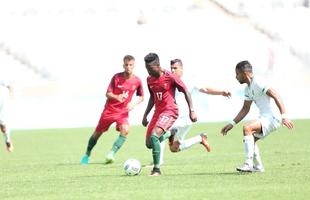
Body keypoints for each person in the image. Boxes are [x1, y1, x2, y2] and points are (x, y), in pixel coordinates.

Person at [221, 60, 294, 172]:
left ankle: (248, 163)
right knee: (250, 140)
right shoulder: (247, 89)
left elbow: (276, 95)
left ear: (244, 74)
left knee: (247, 128)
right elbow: (245, 109)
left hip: (272, 117)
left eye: (237, 74)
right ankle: (258, 167)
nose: (235, 77)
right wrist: (232, 124)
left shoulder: (258, 82)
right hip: (265, 117)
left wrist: (284, 116)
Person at [80, 55, 144, 165]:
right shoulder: (116, 77)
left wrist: (133, 103)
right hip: (109, 111)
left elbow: (141, 97)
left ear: (134, 66)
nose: (128, 67)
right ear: (123, 65)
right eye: (126, 65)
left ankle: (111, 154)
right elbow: (107, 93)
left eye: (131, 65)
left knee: (126, 130)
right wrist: (117, 97)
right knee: (97, 134)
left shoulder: (137, 81)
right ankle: (87, 154)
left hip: (122, 113)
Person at [142, 53, 197, 176]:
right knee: (149, 144)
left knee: (155, 136)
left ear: (157, 66)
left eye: (150, 68)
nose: (148, 71)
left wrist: (191, 110)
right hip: (158, 112)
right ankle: (170, 133)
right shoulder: (149, 79)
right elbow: (152, 97)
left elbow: (186, 91)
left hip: (170, 110)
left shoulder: (170, 76)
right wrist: (145, 115)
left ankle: (156, 169)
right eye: (146, 68)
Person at [163, 59, 231, 156]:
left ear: (181, 68)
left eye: (175, 68)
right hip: (177, 117)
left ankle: (157, 165)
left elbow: (205, 89)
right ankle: (200, 138)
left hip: (183, 116)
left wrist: (221, 92)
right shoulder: (169, 80)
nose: (173, 70)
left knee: (160, 132)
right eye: (171, 68)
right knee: (174, 148)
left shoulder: (189, 80)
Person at [0, 79, 14, 152]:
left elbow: (9, 86)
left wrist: (10, 97)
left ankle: (8, 140)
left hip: (2, 104)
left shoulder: (2, 78)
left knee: (3, 126)